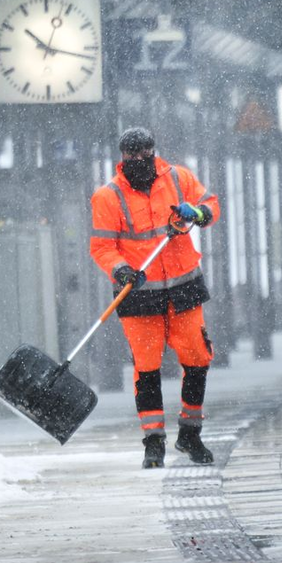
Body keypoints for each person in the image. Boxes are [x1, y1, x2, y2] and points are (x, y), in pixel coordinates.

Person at [90, 127, 220, 469]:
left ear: (153, 150)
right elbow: (102, 246)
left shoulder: (179, 179)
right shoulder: (108, 196)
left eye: (145, 153)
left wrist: (198, 213)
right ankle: (154, 442)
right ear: (121, 158)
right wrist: (120, 270)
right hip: (138, 295)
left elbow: (211, 205)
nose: (139, 160)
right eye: (131, 155)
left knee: (197, 358)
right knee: (146, 368)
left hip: (184, 288)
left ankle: (190, 434)